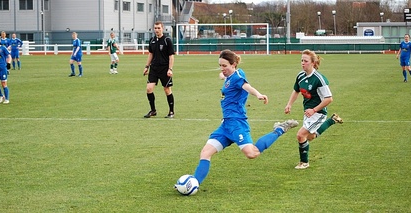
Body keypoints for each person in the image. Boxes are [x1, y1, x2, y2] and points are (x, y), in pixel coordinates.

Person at [190, 50, 299, 186]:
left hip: (237, 123)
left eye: (224, 66)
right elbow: (228, 78)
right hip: (225, 126)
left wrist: (258, 94)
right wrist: (222, 75)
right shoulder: (233, 75)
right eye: (220, 65)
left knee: (252, 154)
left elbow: (247, 87)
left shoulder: (237, 78)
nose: (222, 69)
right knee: (205, 152)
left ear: (233, 64)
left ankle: (279, 129)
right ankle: (194, 183)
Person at [284, 49, 343, 170]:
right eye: (301, 60)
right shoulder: (300, 76)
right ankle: (332, 120)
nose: (302, 63)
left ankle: (304, 162)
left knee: (301, 135)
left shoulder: (319, 79)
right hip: (308, 112)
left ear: (312, 63)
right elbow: (296, 90)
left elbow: (329, 99)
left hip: (318, 113)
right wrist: (289, 104)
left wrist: (314, 110)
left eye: (305, 61)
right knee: (310, 137)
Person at [143, 21, 175, 118]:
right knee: (149, 89)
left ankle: (171, 112)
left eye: (158, 28)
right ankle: (153, 111)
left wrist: (170, 69)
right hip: (154, 68)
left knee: (167, 90)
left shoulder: (167, 40)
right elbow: (150, 54)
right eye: (155, 28)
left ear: (162, 28)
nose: (157, 30)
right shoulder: (152, 40)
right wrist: (146, 66)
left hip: (164, 69)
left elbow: (171, 56)